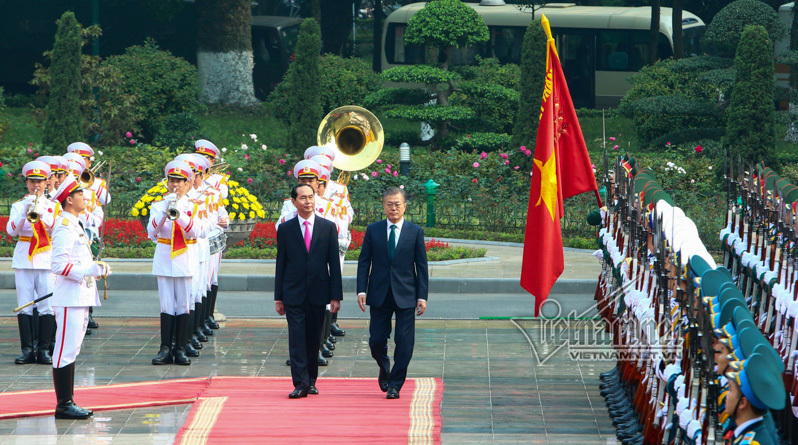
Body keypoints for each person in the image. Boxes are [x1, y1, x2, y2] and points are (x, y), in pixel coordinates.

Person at [49, 173, 111, 419]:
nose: (84, 197)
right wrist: (87, 270)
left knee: (72, 349)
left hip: (80, 295)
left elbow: (79, 260)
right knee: (64, 349)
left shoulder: (75, 223)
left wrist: (96, 268)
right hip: (69, 297)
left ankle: (69, 400)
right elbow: (58, 265)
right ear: (68, 199)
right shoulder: (64, 226)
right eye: (78, 194)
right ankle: (63, 404)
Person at [357, 187, 429, 399]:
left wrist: (422, 296)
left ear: (405, 206)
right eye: (389, 204)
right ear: (383, 206)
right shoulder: (373, 230)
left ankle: (395, 384)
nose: (394, 208)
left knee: (404, 342)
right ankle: (384, 366)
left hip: (406, 293)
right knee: (376, 340)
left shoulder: (414, 232)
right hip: (379, 293)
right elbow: (364, 262)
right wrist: (362, 289)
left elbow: (421, 266)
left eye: (397, 204)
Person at [274, 183, 342, 398]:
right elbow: (281, 264)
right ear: (294, 202)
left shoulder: (328, 227)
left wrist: (335, 296)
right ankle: (300, 383)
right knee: (296, 339)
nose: (308, 201)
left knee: (313, 339)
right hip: (293, 293)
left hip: (318, 293)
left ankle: (311, 380)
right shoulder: (286, 229)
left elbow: (334, 264)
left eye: (311, 197)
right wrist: (279, 298)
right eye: (302, 198)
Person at [148, 160, 201, 366]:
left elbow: (196, 231)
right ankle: (165, 348)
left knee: (183, 305)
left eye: (179, 181)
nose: (175, 185)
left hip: (184, 258)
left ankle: (180, 348)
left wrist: (178, 213)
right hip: (164, 256)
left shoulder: (193, 206)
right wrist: (165, 210)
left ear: (187, 183)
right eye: (172, 181)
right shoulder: (158, 205)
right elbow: (152, 232)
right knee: (166, 305)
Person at [6, 161, 57, 365]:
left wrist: (41, 212)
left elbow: (55, 229)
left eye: (39, 182)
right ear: (26, 182)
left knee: (46, 305)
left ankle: (43, 349)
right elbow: (11, 231)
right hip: (24, 258)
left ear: (46, 183)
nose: (36, 185)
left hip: (45, 259)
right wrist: (23, 212)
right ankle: (27, 349)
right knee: (24, 306)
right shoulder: (18, 205)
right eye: (32, 181)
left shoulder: (53, 206)